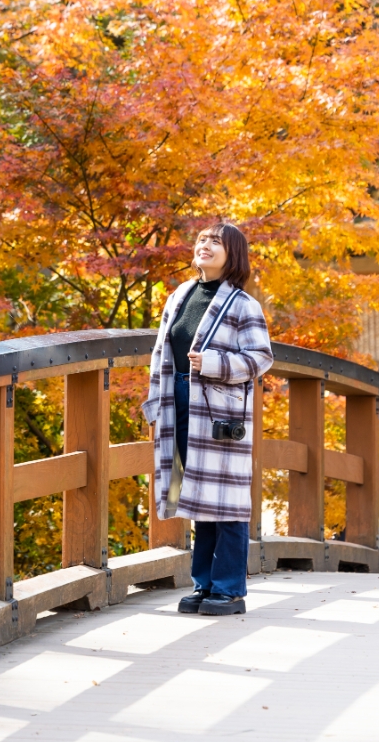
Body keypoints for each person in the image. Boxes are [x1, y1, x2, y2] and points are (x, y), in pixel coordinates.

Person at [141, 223, 273, 616]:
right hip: (178, 398)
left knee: (227, 499)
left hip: (218, 407)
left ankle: (229, 589)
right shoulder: (180, 295)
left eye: (215, 241)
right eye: (201, 240)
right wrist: (155, 403)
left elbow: (261, 358)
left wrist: (214, 363)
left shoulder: (243, 305)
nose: (205, 246)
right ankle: (203, 584)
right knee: (196, 493)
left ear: (233, 254)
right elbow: (159, 353)